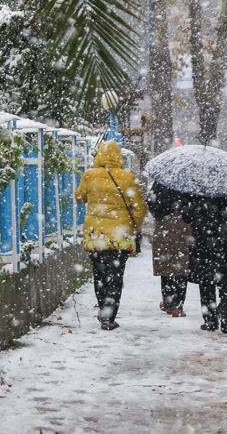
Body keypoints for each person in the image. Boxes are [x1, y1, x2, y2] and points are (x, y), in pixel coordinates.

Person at [75, 140, 147, 330]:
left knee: (99, 274)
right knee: (115, 276)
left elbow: (79, 197)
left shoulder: (90, 175)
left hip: (95, 234)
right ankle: (109, 315)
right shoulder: (127, 177)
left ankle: (103, 309)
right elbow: (139, 208)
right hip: (119, 235)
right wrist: (133, 227)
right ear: (119, 156)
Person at [183, 194, 227, 334]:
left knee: (206, 282)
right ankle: (225, 311)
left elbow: (187, 216)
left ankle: (210, 319)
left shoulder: (201, 193)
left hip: (205, 244)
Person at [147, 182, 193, 317]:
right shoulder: (189, 182)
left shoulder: (162, 181)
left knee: (165, 263)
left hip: (164, 225)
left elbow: (151, 202)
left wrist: (161, 214)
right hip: (184, 225)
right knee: (181, 264)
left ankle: (168, 301)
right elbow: (196, 204)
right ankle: (178, 305)